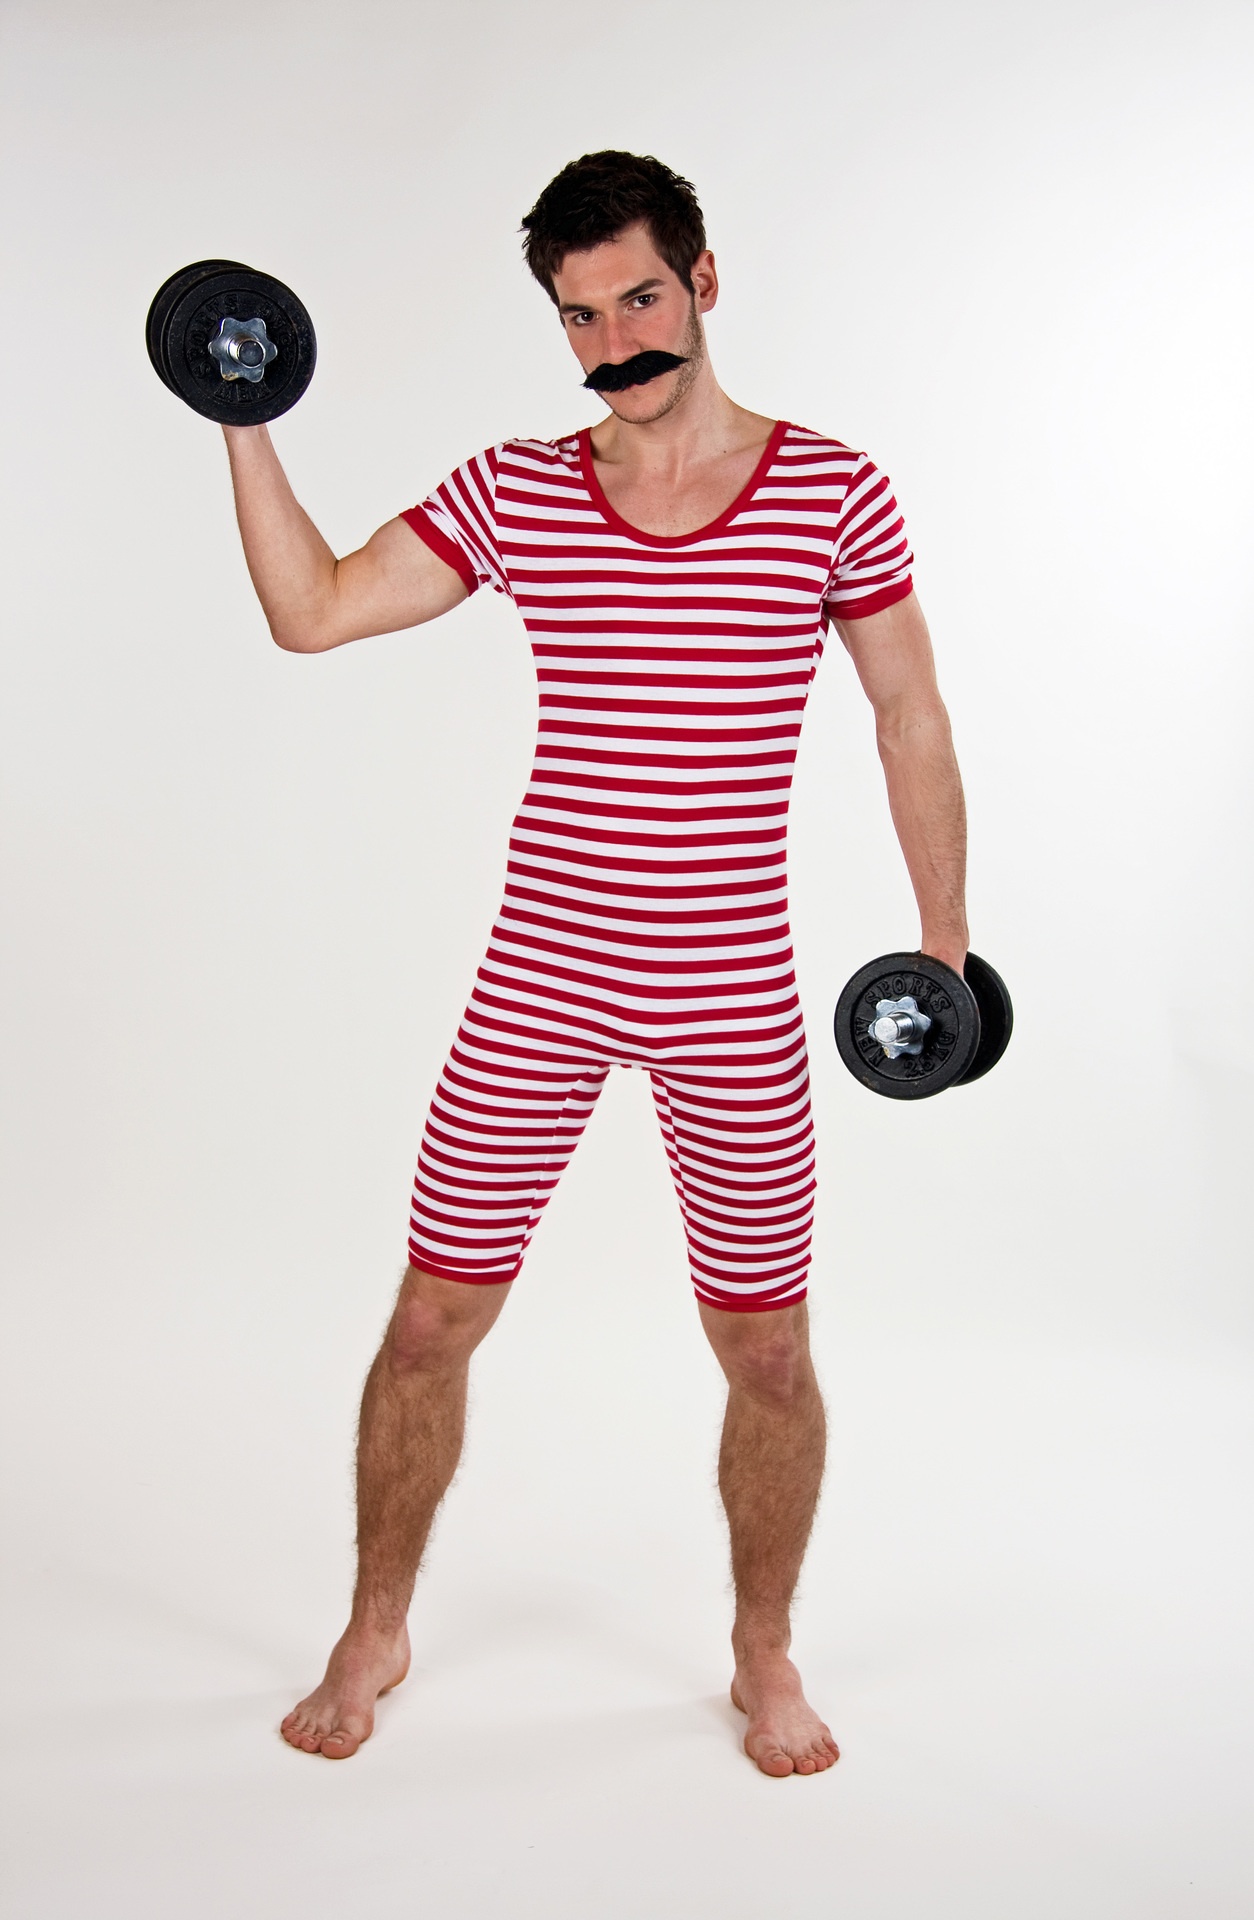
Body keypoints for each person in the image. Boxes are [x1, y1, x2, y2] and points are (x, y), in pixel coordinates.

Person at [220, 151, 968, 1776]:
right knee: (429, 1325)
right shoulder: (518, 490)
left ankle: (761, 1648)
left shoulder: (831, 490)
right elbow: (314, 610)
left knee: (767, 1351)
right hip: (540, 985)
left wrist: (945, 948)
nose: (612, 342)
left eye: (637, 298)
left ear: (704, 282)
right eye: (577, 316)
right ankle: (374, 1623)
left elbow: (906, 714)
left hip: (731, 997)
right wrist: (241, 410)